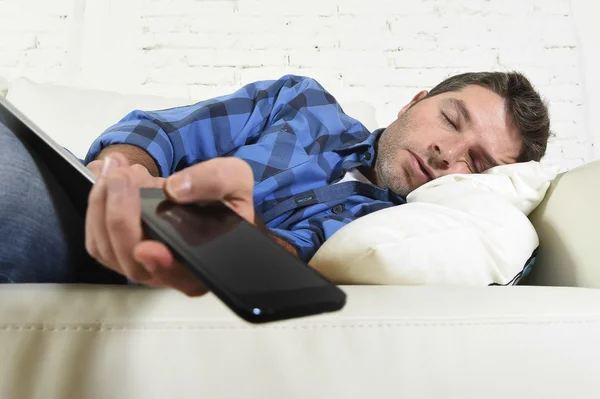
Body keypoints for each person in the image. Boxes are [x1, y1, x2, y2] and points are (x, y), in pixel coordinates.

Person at [0, 72, 550, 295]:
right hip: (85, 200)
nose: (446, 153)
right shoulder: (302, 102)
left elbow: (283, 259)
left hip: (163, 269)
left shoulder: (403, 231)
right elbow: (162, 132)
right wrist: (126, 172)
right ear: (415, 102)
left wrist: (227, 236)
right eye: (451, 121)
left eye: (476, 164)